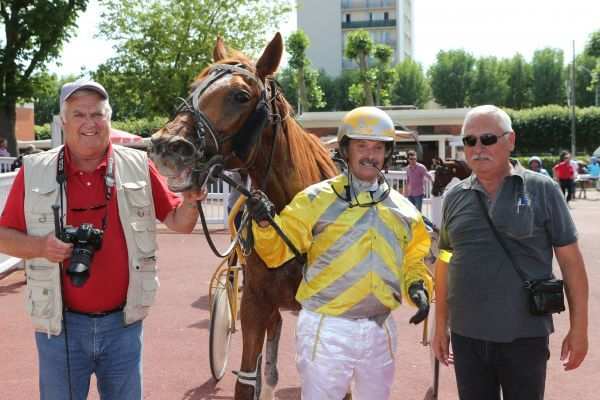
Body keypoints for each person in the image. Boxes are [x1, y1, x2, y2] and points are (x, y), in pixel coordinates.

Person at [0, 79, 206, 399]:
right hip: (59, 328)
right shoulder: (36, 169)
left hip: (123, 325)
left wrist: (191, 201)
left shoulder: (138, 166)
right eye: (79, 114)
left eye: (97, 114)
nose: (89, 123)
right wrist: (41, 247)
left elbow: (179, 223)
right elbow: (4, 237)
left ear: (109, 119)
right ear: (64, 122)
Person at [246, 106, 433, 399]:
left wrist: (418, 287)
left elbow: (413, 260)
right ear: (346, 150)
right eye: (362, 146)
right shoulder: (314, 199)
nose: (370, 154)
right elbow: (276, 252)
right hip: (326, 330)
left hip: (380, 329)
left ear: (387, 153)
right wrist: (264, 224)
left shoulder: (405, 210)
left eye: (378, 147)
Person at [432, 105, 589, 400]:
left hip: (524, 336)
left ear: (511, 140)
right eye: (470, 141)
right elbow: (445, 260)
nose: (478, 148)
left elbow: (571, 263)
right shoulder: (454, 197)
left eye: (488, 139)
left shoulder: (542, 189)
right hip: (467, 336)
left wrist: (579, 328)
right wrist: (440, 325)